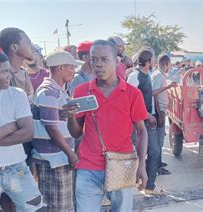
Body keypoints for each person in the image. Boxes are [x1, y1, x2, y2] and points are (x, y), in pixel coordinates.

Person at [67, 40, 149, 211]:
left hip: (122, 164)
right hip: (88, 167)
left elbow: (141, 130)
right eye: (94, 59)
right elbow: (76, 133)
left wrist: (141, 165)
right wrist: (71, 116)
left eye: (104, 59)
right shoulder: (82, 91)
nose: (98, 64)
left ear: (116, 61)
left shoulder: (132, 93)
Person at [0, 49, 43, 211]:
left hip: (17, 169)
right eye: (4, 72)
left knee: (37, 209)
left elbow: (27, 133)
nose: (9, 76)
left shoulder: (17, 95)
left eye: (9, 71)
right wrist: (8, 128)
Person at [31, 51, 82, 211]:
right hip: (53, 160)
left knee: (64, 206)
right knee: (57, 207)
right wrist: (71, 154)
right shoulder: (48, 92)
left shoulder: (57, 90)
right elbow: (52, 128)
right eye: (72, 67)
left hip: (59, 158)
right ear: (61, 68)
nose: (74, 71)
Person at [0, 27, 36, 211]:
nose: (31, 47)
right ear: (14, 47)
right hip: (7, 144)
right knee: (8, 196)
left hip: (27, 141)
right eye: (27, 43)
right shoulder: (0, 77)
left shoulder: (24, 73)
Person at [126, 48, 164, 195]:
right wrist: (148, 115)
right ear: (148, 61)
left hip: (147, 120)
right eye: (152, 59)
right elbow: (128, 100)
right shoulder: (135, 76)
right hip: (139, 122)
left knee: (152, 152)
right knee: (147, 153)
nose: (153, 62)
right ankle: (145, 185)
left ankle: (147, 184)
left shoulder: (146, 74)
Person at [151, 54, 177, 175]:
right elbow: (153, 93)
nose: (169, 68)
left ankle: (159, 163)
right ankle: (157, 167)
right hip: (158, 111)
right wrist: (159, 114)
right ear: (165, 64)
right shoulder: (158, 76)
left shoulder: (160, 75)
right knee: (159, 142)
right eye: (169, 65)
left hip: (161, 110)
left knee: (160, 140)